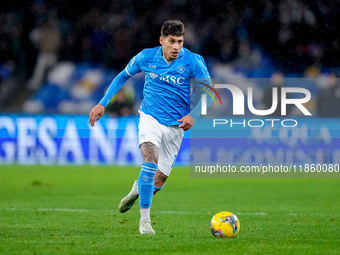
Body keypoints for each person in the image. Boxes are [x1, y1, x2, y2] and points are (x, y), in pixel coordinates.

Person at [88, 20, 212, 235]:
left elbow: (209, 93)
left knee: (160, 180)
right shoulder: (146, 56)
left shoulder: (193, 61)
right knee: (150, 159)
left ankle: (137, 190)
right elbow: (123, 75)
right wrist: (103, 102)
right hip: (150, 118)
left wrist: (193, 115)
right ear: (161, 40)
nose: (176, 47)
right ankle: (145, 221)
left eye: (180, 42)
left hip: (176, 127)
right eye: (171, 41)